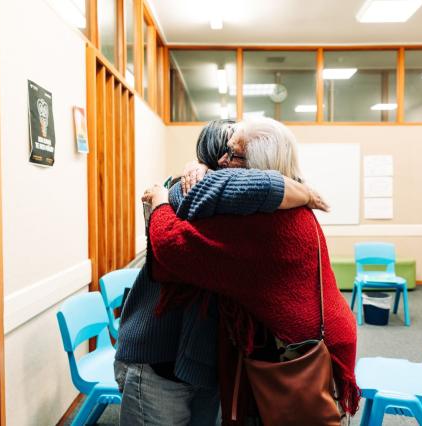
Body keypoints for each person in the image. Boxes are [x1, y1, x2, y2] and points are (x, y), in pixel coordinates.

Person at [143, 117, 360, 424]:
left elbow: (171, 247)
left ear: (256, 164)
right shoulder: (290, 202)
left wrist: (161, 202)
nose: (221, 161)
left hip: (303, 355)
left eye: (231, 154)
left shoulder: (260, 221)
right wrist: (198, 166)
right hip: (323, 338)